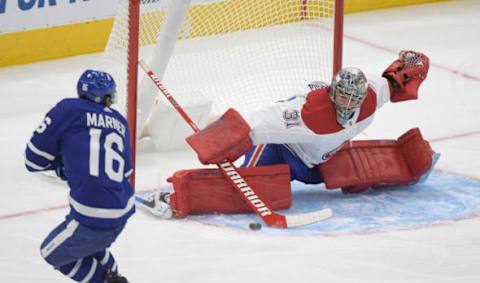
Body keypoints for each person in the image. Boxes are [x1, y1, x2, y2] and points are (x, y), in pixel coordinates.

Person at [138, 50, 438, 219]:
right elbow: (255, 125)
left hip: (316, 165)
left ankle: (405, 166)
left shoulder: (375, 91)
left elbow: (394, 81)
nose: (347, 103)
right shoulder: (308, 115)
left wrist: (408, 71)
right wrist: (216, 144)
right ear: (332, 93)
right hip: (281, 149)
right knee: (243, 191)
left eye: (352, 99)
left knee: (352, 177)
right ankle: (173, 197)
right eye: (341, 96)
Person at [24, 70, 139, 283]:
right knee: (92, 245)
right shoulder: (119, 120)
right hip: (123, 211)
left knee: (51, 253)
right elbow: (126, 173)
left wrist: (62, 163)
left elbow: (33, 161)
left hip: (90, 215)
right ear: (107, 98)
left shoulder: (68, 109)